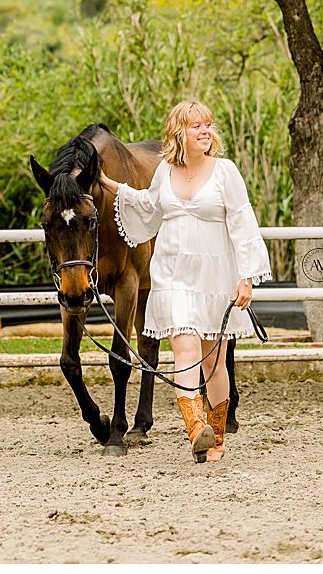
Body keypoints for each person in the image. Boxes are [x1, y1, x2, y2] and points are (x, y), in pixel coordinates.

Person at [97, 99, 271, 464]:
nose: (206, 131)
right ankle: (197, 432)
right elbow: (147, 205)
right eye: (197, 126)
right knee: (185, 353)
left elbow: (243, 224)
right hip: (173, 275)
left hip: (216, 277)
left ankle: (217, 434)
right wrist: (109, 183)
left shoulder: (225, 172)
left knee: (214, 364)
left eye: (208, 125)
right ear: (180, 132)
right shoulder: (165, 172)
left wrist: (248, 278)